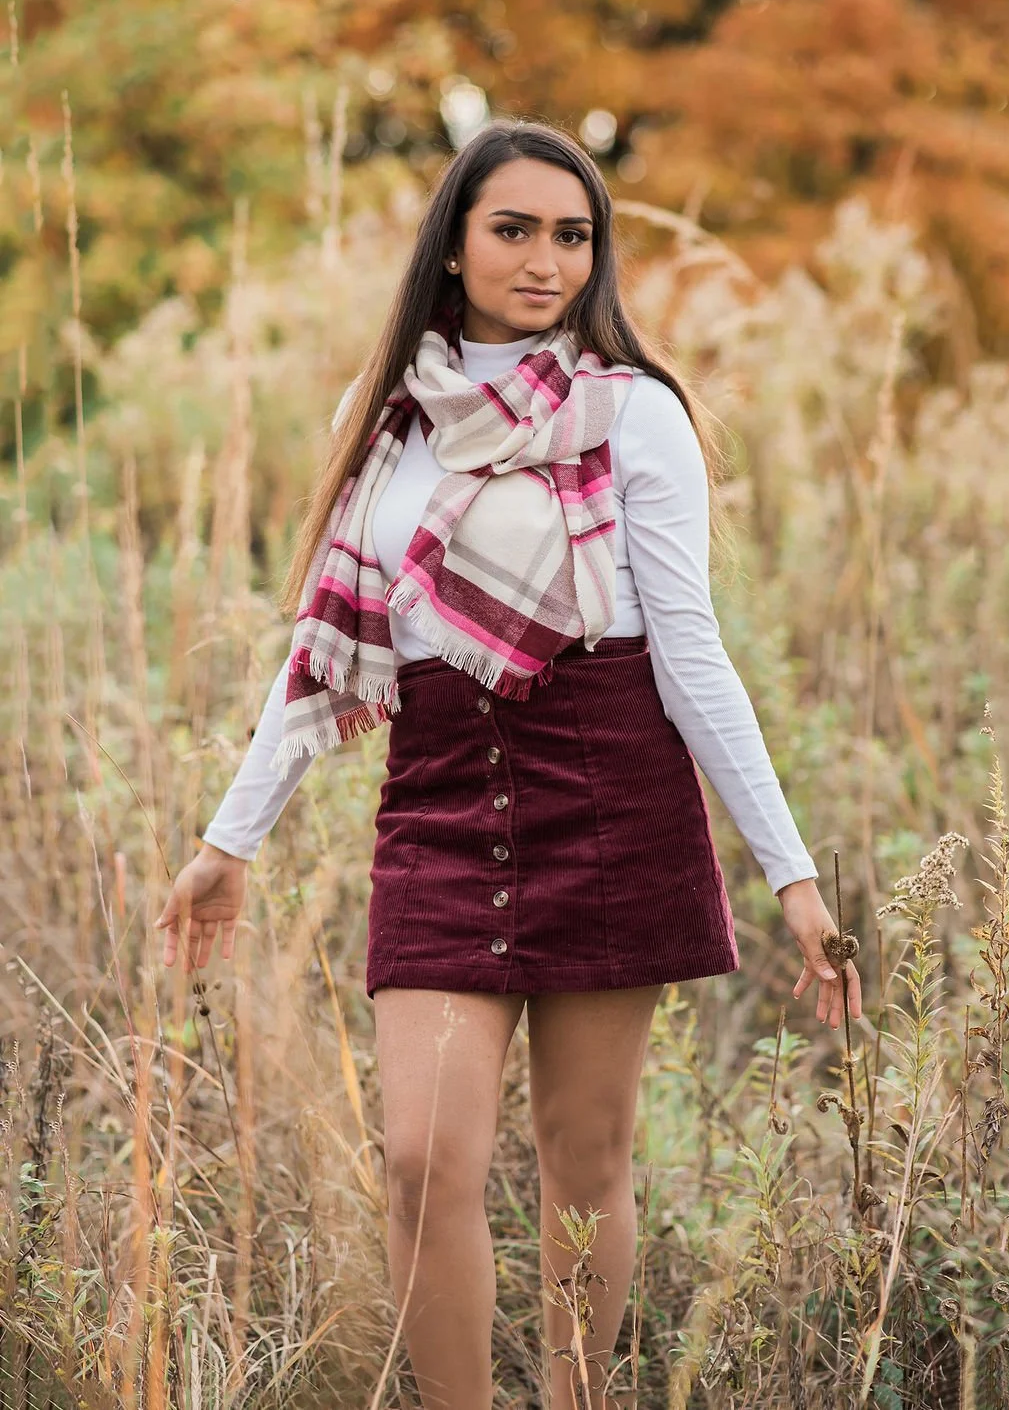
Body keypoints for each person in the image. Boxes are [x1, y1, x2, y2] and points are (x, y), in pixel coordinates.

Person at [156, 119, 863, 1410]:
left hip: (608, 791)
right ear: (454, 244)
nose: (546, 261)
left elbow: (691, 651)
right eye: (514, 230)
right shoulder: (383, 420)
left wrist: (793, 873)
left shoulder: (632, 413)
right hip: (437, 802)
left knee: (584, 1165)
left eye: (573, 236)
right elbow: (322, 647)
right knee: (423, 1161)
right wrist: (227, 842)